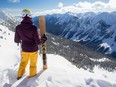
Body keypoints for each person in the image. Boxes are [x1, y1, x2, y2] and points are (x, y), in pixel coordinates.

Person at [14, 9, 47, 80]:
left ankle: (19, 75)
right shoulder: (34, 28)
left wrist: (22, 37)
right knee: (33, 65)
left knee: (23, 63)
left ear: (22, 16)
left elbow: (16, 40)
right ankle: (32, 77)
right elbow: (38, 42)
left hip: (24, 50)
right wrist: (43, 39)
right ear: (30, 16)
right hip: (33, 50)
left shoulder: (18, 27)